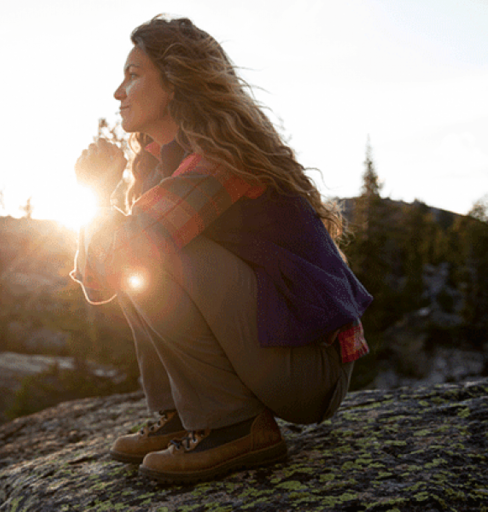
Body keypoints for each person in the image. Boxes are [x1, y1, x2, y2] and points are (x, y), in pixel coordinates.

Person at [71, 15, 372, 485]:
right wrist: (101, 199)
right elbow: (100, 284)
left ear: (173, 82)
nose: (118, 92)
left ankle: (231, 425)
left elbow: (127, 254)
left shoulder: (218, 159)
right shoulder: (157, 167)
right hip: (273, 354)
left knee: (155, 254)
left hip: (308, 373)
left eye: (133, 75)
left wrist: (100, 198)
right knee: (141, 255)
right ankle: (181, 413)